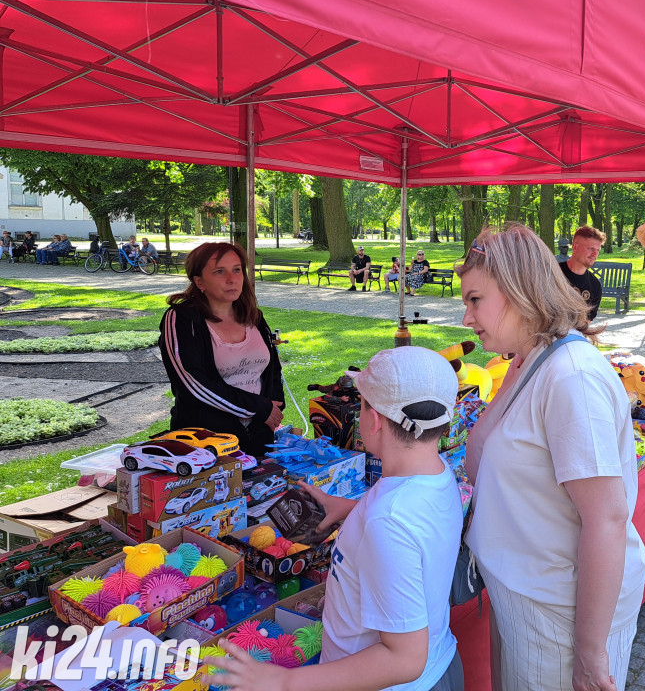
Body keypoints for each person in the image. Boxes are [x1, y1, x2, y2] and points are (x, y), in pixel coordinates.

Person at [209, 345, 465, 691]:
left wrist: (284, 681)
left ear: (372, 419)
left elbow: (404, 659)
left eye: (359, 404)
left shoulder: (387, 521)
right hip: (440, 664)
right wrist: (347, 509)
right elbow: (414, 530)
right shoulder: (432, 472)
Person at [459, 223, 645, 691]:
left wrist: (589, 651)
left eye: (475, 299)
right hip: (526, 598)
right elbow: (477, 459)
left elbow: (606, 520)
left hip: (558, 617)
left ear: (519, 292)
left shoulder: (571, 378)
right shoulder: (535, 359)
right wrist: (515, 366)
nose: (466, 317)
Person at [158, 242, 284, 458]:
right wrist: (259, 408)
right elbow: (193, 385)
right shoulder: (181, 319)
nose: (232, 279)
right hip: (206, 442)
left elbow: (271, 369)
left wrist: (275, 407)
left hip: (259, 434)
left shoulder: (254, 315)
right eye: (219, 271)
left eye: (237, 270)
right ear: (199, 281)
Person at [559, 225, 604, 322]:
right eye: (591, 248)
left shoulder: (595, 286)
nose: (594, 254)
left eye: (598, 250)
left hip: (574, 336)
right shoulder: (552, 274)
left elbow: (586, 325)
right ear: (575, 247)